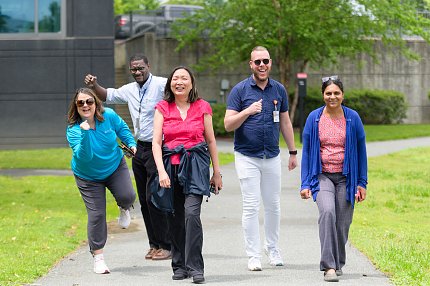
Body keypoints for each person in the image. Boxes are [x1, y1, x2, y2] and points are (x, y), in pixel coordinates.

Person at [84, 54, 172, 261]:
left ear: (148, 66)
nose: (137, 72)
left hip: (158, 147)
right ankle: (154, 245)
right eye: (134, 69)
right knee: (144, 200)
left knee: (156, 198)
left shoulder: (162, 84)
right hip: (139, 148)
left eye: (141, 68)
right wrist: (95, 84)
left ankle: (168, 245)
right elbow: (106, 95)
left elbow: (181, 93)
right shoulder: (130, 89)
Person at [224, 46, 298, 271]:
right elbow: (227, 125)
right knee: (251, 206)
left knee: (273, 205)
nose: (262, 65)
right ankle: (253, 255)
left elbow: (285, 122)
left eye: (265, 61)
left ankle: (272, 248)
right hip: (247, 156)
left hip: (272, 156)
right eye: (257, 62)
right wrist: (247, 111)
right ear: (251, 65)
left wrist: (293, 152)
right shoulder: (240, 90)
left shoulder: (279, 90)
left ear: (271, 63)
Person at [152, 66, 223, 284]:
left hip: (196, 167)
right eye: (175, 78)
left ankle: (195, 266)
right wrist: (161, 171)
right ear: (170, 84)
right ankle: (179, 265)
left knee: (192, 215)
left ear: (191, 83)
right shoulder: (163, 107)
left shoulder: (203, 107)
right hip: (170, 167)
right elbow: (156, 142)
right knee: (174, 217)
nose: (179, 82)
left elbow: (210, 140)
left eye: (184, 78)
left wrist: (216, 172)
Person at [300, 76, 368, 282]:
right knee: (328, 212)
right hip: (322, 176)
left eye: (336, 93)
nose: (332, 96)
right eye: (328, 93)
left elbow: (361, 151)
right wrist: (305, 183)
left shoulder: (352, 118)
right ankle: (329, 266)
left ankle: (338, 262)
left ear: (343, 95)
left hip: (347, 177)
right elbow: (307, 153)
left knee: (343, 223)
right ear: (323, 95)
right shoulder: (314, 118)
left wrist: (361, 183)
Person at [66, 87, 137, 274]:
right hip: (88, 176)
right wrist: (86, 133)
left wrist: (131, 144)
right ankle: (98, 258)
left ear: (96, 103)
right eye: (80, 102)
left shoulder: (109, 115)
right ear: (76, 106)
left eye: (89, 101)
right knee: (97, 215)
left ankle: (124, 208)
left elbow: (122, 128)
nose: (85, 105)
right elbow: (85, 157)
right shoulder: (74, 130)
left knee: (128, 196)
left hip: (114, 166)